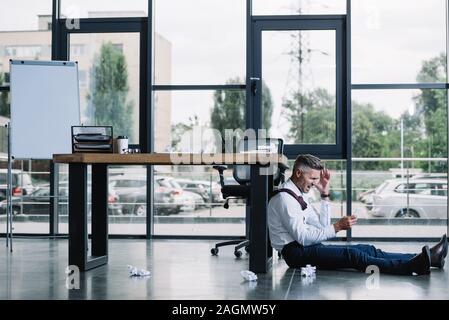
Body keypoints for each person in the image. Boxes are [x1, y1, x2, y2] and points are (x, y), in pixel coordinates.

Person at [267, 154, 448, 276]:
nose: (315, 183)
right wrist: (337, 227)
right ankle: (413, 267)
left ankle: (428, 258)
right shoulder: (286, 199)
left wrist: (325, 193)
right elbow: (304, 238)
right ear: (298, 173)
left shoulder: (298, 195)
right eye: (312, 179)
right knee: (353, 255)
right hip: (296, 254)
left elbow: (321, 226)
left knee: (368, 249)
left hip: (305, 247)